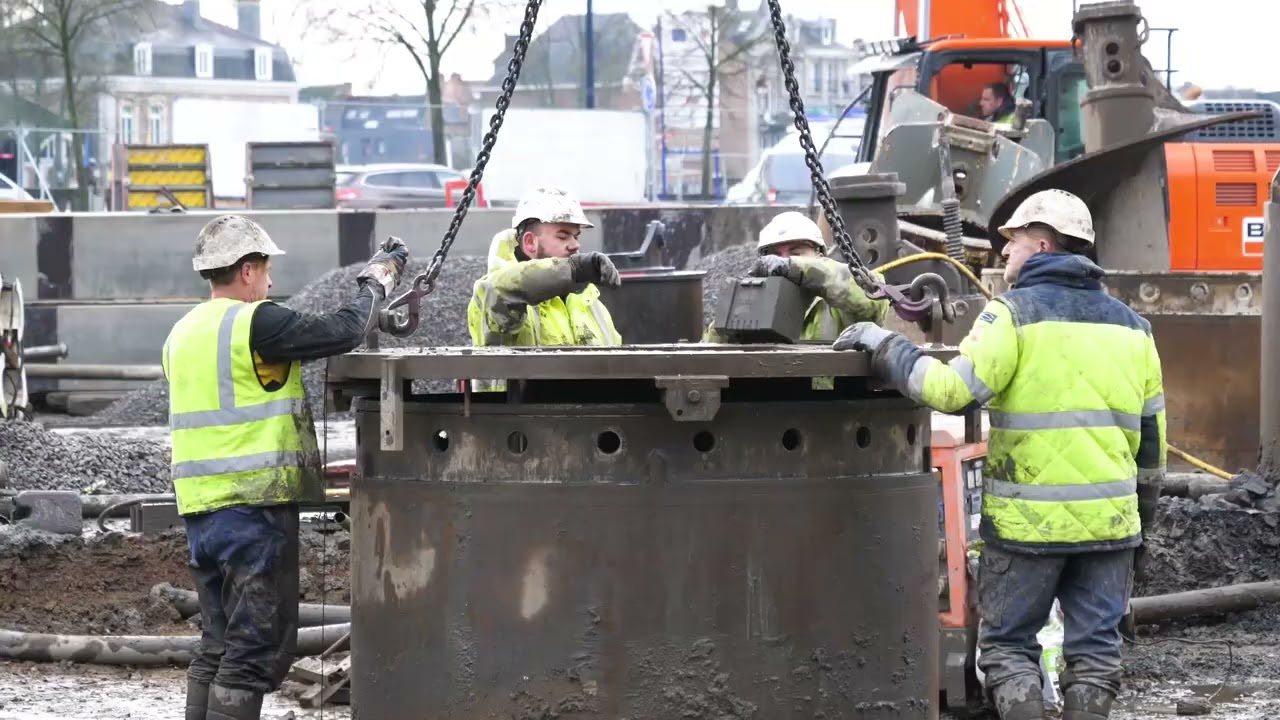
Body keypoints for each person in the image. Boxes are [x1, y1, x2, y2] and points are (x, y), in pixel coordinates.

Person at [831, 189, 1166, 720]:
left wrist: (884, 344)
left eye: (1010, 245)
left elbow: (950, 392)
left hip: (1028, 531)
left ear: (1042, 243)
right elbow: (1152, 448)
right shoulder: (1134, 328)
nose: (1003, 255)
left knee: (1009, 647)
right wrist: (1140, 528)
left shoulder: (1010, 317)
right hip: (1111, 528)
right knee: (1096, 655)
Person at [163, 215, 408, 720]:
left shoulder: (181, 333)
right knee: (253, 650)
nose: (271, 281)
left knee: (218, 641)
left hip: (200, 513)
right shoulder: (256, 323)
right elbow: (343, 330)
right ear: (248, 269)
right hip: (252, 509)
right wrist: (375, 282)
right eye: (267, 269)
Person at [467, 185, 621, 353]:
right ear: (530, 242)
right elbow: (502, 291)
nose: (575, 245)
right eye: (562, 236)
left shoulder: (589, 302)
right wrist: (573, 270)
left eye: (576, 236)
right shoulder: (494, 294)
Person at [703, 210, 889, 344]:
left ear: (819, 256)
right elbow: (709, 349)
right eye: (775, 256)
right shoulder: (756, 305)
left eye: (796, 253)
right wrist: (738, 306)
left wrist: (794, 268)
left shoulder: (839, 301)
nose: (783, 262)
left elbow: (873, 298)